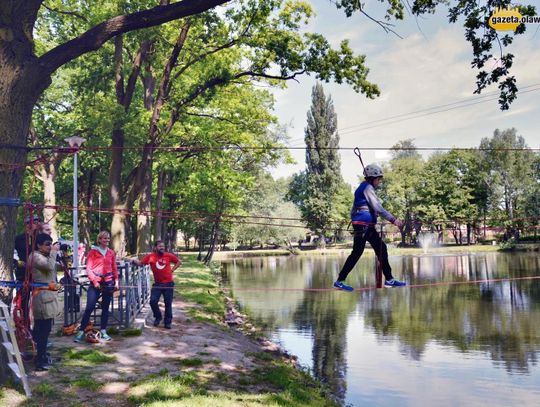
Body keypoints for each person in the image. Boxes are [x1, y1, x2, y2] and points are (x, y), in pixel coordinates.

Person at [334, 164, 406, 291]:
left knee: (381, 248)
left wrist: (356, 220)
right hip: (363, 226)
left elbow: (357, 209)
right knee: (357, 253)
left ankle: (389, 279)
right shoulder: (367, 188)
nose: (379, 182)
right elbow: (378, 207)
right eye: (378, 179)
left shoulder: (363, 188)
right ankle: (340, 280)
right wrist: (393, 220)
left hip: (366, 226)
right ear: (372, 178)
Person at [74, 231, 118, 342]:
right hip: (96, 282)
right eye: (104, 238)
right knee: (89, 307)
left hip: (108, 282)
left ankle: (103, 331)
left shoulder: (111, 253)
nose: (107, 240)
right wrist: (94, 281)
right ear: (99, 240)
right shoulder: (93, 252)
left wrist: (116, 281)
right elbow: (88, 268)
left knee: (105, 308)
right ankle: (81, 331)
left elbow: (114, 268)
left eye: (108, 239)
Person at [28, 233, 60, 371]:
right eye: (47, 244)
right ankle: (39, 360)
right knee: (42, 331)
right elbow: (48, 267)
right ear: (38, 245)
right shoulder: (34, 256)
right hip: (41, 299)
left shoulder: (45, 256)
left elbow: (54, 267)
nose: (49, 247)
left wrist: (63, 257)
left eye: (50, 244)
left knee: (45, 330)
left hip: (48, 297)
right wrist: (54, 252)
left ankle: (42, 354)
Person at [132, 241, 181, 329]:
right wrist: (133, 261)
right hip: (157, 284)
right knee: (153, 301)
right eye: (159, 246)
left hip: (168, 284)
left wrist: (172, 270)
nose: (162, 248)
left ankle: (167, 322)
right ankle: (158, 317)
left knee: (168, 304)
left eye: (163, 246)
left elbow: (178, 262)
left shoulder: (168, 255)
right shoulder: (151, 257)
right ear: (155, 247)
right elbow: (141, 263)